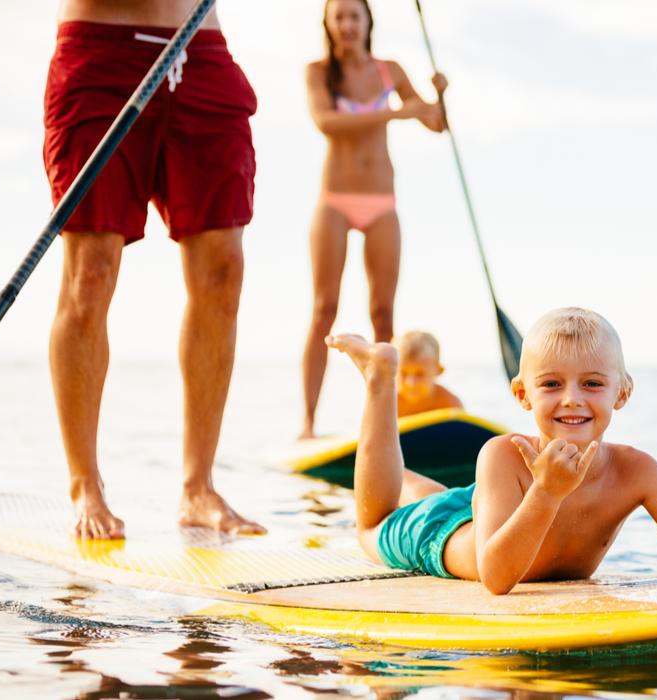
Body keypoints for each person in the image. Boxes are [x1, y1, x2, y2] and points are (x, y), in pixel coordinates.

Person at [326, 308, 657, 595]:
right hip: (439, 536)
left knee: (438, 495)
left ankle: (417, 480)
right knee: (371, 525)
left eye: (592, 383)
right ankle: (380, 377)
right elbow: (496, 578)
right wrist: (545, 492)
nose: (572, 400)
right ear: (523, 394)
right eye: (551, 384)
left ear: (623, 391)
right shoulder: (504, 455)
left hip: (485, 510)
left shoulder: (637, 471)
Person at [45, 0, 264, 539]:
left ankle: (199, 487)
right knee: (90, 273)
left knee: (223, 271)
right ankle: (84, 485)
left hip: (200, 50)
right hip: (102, 51)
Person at [299, 0, 448, 440]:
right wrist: (396, 113)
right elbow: (327, 122)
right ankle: (308, 424)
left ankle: (385, 424)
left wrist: (439, 95)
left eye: (353, 16)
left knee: (383, 316)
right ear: (328, 23)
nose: (346, 24)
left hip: (382, 202)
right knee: (324, 309)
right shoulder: (318, 71)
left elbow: (436, 123)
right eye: (338, 17)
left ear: (368, 22)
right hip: (335, 201)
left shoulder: (390, 71)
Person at [395, 331, 463, 418]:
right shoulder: (389, 403)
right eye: (403, 374)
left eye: (419, 374)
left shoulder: (450, 404)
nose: (411, 383)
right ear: (393, 371)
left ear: (439, 371)